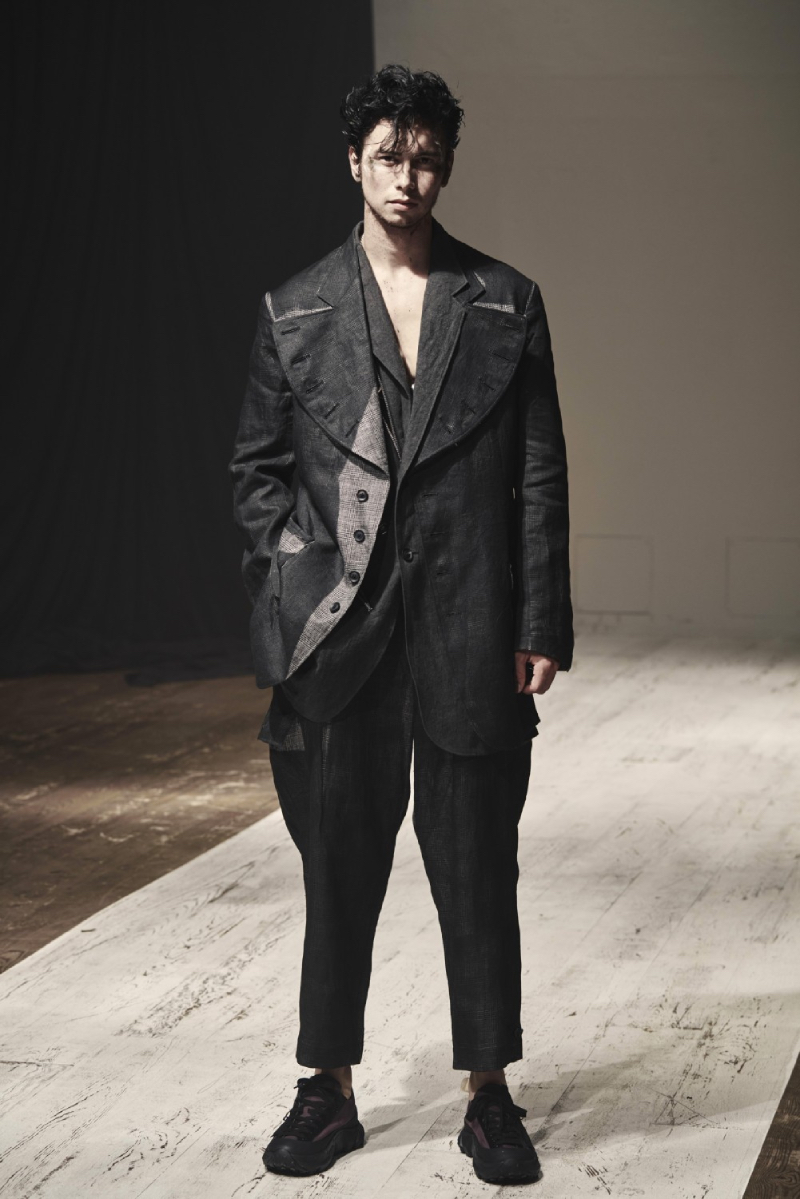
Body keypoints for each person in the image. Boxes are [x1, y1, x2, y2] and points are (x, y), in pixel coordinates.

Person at [229, 63, 573, 1185]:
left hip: (472, 623)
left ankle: (488, 1091)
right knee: (337, 868)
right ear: (354, 161)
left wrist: (539, 616)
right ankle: (325, 1085)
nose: (406, 177)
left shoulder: (504, 302)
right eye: (388, 155)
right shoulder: (295, 309)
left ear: (446, 166)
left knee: (477, 867)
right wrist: (291, 592)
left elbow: (537, 473)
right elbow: (257, 475)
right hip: (339, 639)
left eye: (425, 158)